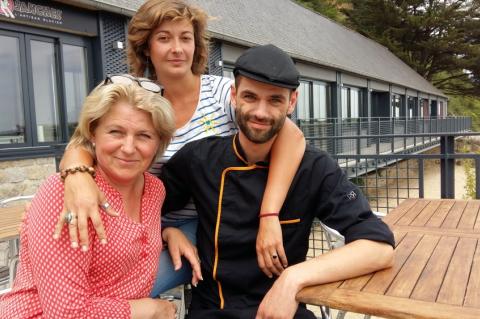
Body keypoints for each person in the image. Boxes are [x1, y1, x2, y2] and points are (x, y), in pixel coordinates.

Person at [56, 0, 306, 296]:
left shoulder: (222, 93)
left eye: (185, 38)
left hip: (212, 222)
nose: (177, 48)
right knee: (77, 285)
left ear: (196, 45)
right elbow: (83, 143)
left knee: (127, 291)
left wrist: (268, 214)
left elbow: (292, 137)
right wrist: (77, 177)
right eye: (164, 38)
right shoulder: (135, 96)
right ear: (146, 47)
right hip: (144, 222)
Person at [160, 44, 396, 319]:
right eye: (250, 97)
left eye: (274, 100)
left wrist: (292, 278)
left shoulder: (314, 168)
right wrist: (168, 231)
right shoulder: (200, 159)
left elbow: (379, 249)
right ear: (234, 96)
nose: (260, 112)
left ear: (291, 103)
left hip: (285, 309)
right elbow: (144, 208)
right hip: (214, 310)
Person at [0, 76, 187, 318]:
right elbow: (67, 313)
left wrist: (168, 232)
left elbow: (126, 245)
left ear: (160, 142)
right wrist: (149, 309)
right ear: (93, 132)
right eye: (115, 132)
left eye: (144, 136)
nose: (129, 148)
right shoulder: (64, 194)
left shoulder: (153, 190)